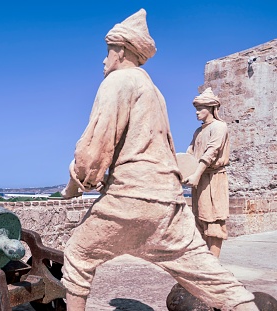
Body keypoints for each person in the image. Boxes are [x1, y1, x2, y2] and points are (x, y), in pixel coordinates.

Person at [60, 8, 258, 311]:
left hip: (130, 197)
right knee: (211, 277)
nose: (104, 59)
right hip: (168, 201)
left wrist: (78, 181)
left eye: (108, 51)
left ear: (122, 50)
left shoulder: (118, 81)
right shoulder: (154, 91)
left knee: (78, 255)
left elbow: (94, 149)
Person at [183, 88, 230, 258]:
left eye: (200, 108)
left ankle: (214, 266)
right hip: (200, 181)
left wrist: (196, 174)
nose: (196, 112)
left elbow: (211, 151)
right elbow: (189, 154)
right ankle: (204, 264)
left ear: (210, 108)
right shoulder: (198, 131)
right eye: (196, 108)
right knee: (200, 221)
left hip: (214, 179)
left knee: (214, 221)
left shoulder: (219, 126)